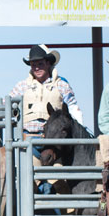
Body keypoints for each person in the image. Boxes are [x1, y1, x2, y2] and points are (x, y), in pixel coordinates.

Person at [10, 44, 84, 194]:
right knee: (29, 182)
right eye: (33, 64)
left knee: (59, 181)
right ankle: (31, 215)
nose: (36, 67)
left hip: (56, 144)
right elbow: (8, 107)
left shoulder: (61, 85)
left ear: (48, 63)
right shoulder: (21, 87)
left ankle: (69, 214)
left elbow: (74, 111)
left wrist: (77, 138)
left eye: (40, 63)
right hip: (29, 142)